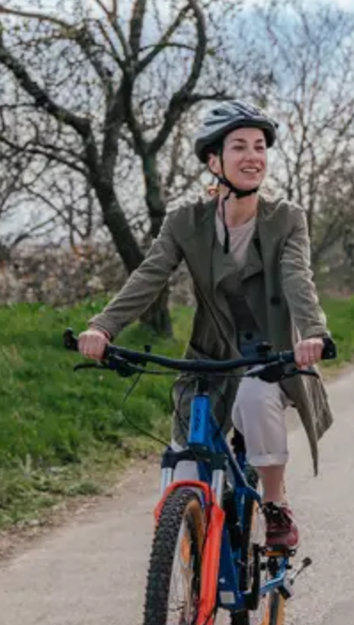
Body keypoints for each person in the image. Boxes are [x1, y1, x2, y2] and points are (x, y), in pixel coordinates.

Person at [76, 101, 334, 550]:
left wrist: (312, 332)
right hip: (210, 357)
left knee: (255, 397)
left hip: (268, 355)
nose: (253, 155)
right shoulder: (185, 222)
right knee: (188, 465)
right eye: (239, 146)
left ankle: (274, 503)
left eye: (259, 146)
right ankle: (190, 568)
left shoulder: (286, 219)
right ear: (214, 161)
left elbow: (297, 279)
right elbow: (149, 277)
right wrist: (104, 328)